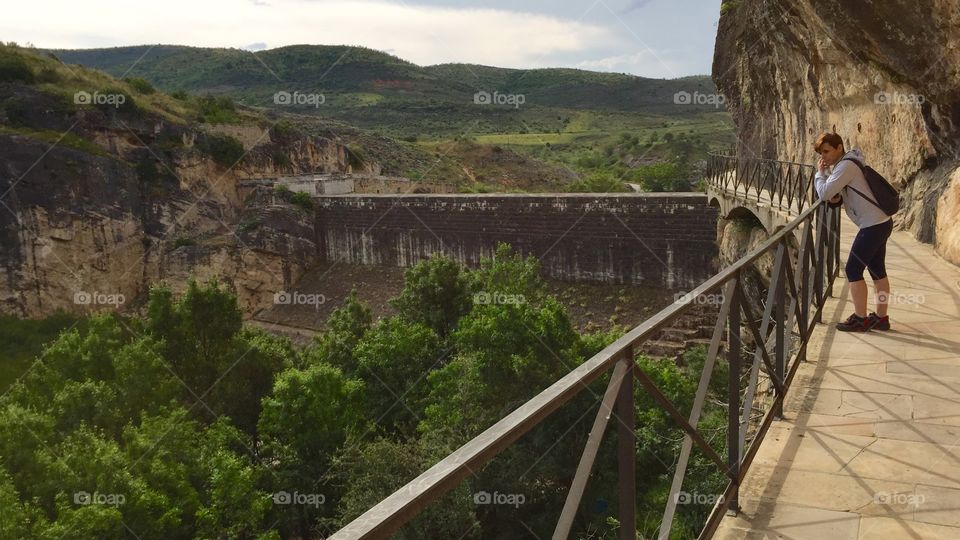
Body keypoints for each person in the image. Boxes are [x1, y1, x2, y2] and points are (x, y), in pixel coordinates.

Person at [813, 132, 893, 332]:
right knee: (877, 270)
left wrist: (819, 174)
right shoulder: (848, 163)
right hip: (881, 221)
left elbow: (824, 193)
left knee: (852, 270)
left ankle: (860, 318)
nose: (824, 157)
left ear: (839, 147)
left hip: (872, 225)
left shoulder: (846, 165)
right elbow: (839, 195)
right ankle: (881, 318)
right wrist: (836, 197)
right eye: (821, 153)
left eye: (827, 151)